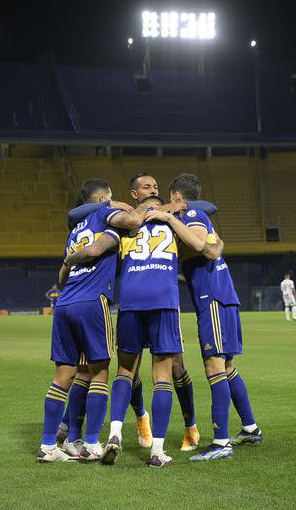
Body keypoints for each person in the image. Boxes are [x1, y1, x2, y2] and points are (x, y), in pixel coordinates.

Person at [68, 173, 211, 451]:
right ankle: (142, 420)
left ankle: (189, 424)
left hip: (145, 299)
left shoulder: (159, 217)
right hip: (151, 298)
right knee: (137, 371)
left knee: (171, 367)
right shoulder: (125, 219)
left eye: (156, 186)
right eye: (147, 187)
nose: (153, 190)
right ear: (134, 194)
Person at [149, 173, 262, 461]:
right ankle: (250, 428)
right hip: (219, 297)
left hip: (213, 299)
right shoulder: (196, 216)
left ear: (176, 197)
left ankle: (221, 442)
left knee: (214, 368)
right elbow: (213, 246)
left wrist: (170, 218)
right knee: (227, 367)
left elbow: (203, 246)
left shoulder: (193, 214)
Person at [37, 179, 147, 463]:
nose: (116, 201)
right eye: (112, 197)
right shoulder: (103, 215)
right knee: (100, 371)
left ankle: (49, 446)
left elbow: (61, 276)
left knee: (63, 375)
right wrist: (124, 207)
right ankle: (91, 444)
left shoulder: (75, 231)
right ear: (101, 200)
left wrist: (73, 261)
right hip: (91, 301)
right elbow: (132, 220)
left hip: (64, 304)